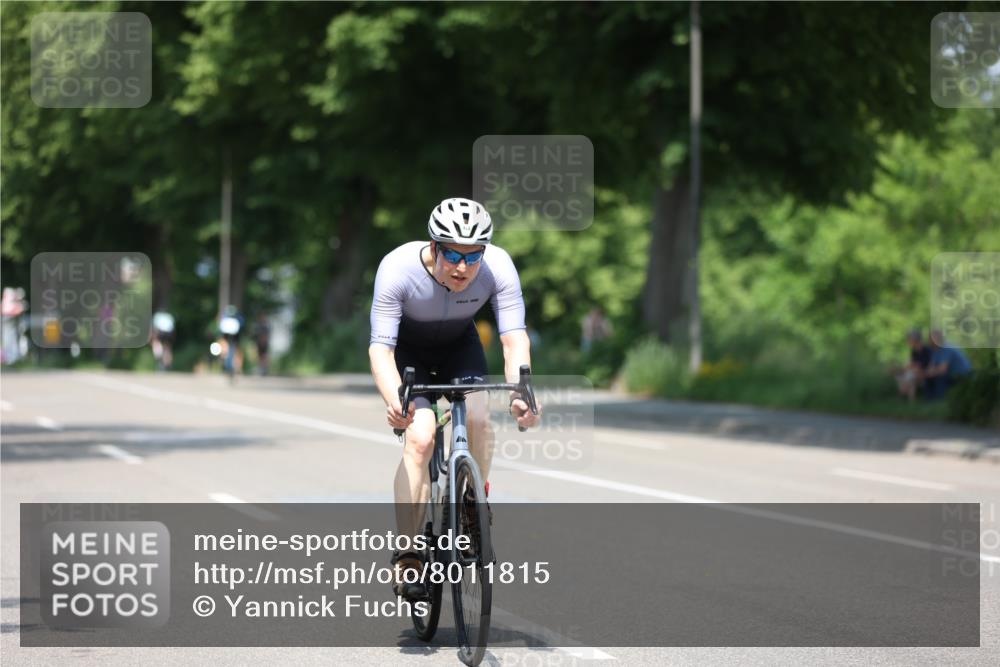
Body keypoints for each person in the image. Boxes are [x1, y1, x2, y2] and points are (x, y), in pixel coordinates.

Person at [369, 197, 542, 600]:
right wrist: (396, 401)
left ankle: (471, 503)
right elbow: (381, 349)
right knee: (421, 437)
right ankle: (409, 555)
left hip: (459, 347)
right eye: (451, 253)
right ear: (433, 247)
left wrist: (522, 393)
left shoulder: (499, 267)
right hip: (408, 352)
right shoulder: (397, 269)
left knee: (481, 418)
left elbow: (514, 338)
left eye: (472, 255)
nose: (462, 267)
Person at [923, 329, 973, 400]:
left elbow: (943, 369)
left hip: (962, 375)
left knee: (940, 377)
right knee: (930, 377)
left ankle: (940, 398)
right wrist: (926, 373)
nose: (929, 341)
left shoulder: (946, 347)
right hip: (951, 374)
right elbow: (931, 366)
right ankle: (931, 398)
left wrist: (929, 373)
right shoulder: (935, 350)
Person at [893, 328, 930, 402]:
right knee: (902, 375)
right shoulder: (914, 351)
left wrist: (911, 368)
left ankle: (903, 397)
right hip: (915, 373)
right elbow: (911, 364)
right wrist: (901, 369)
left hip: (925, 373)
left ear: (915, 340)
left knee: (910, 377)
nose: (908, 341)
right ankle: (909, 400)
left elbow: (923, 365)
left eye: (909, 339)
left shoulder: (926, 350)